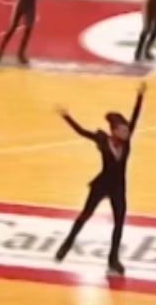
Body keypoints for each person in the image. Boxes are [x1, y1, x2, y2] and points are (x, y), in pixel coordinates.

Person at [54, 82, 147, 276]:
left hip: (118, 188)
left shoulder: (127, 141)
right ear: (114, 131)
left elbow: (136, 116)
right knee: (85, 215)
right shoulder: (102, 140)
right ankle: (66, 244)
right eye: (122, 130)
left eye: (127, 130)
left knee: (119, 223)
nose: (127, 133)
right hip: (102, 185)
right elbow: (81, 132)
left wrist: (140, 96)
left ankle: (113, 259)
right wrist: (66, 117)